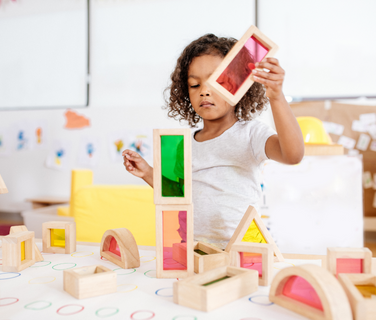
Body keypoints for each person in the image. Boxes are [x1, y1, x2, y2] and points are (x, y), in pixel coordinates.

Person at [122, 34, 304, 249]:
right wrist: (147, 173)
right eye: (194, 84)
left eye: (215, 83)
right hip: (193, 248)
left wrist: (276, 97)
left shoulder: (251, 134)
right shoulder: (183, 143)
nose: (204, 91)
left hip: (241, 249)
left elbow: (293, 155)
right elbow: (174, 193)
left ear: (239, 86)